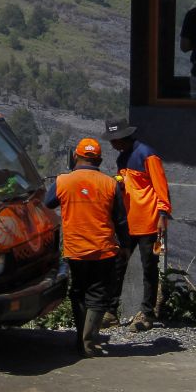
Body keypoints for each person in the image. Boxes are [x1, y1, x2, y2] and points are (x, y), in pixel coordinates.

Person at [44, 138, 128, 357]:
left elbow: (47, 203)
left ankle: (80, 340)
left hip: (75, 250)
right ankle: (89, 342)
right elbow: (120, 219)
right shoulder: (110, 184)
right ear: (99, 160)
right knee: (99, 294)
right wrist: (126, 246)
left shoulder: (63, 181)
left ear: (75, 157)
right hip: (103, 249)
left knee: (78, 292)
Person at [103, 118, 172, 331]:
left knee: (149, 267)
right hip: (128, 222)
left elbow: (161, 186)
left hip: (149, 222)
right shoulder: (123, 158)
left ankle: (147, 314)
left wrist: (163, 214)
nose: (111, 144)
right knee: (118, 264)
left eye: (113, 139)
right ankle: (111, 311)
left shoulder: (147, 154)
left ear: (121, 137)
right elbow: (128, 186)